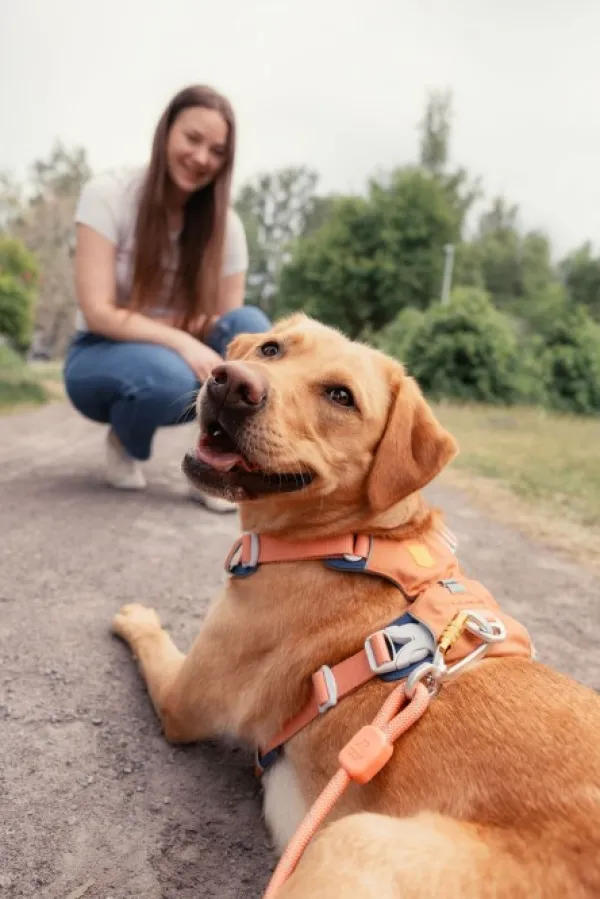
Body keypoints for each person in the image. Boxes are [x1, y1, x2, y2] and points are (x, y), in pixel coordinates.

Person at [63, 84, 270, 512]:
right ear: (166, 132)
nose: (201, 158)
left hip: (187, 347)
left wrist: (198, 344)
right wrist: (182, 341)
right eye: (192, 139)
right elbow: (97, 311)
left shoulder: (227, 226)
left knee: (253, 328)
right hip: (102, 349)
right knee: (166, 378)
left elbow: (229, 324)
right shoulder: (109, 194)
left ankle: (214, 464)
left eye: (217, 151)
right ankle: (125, 440)